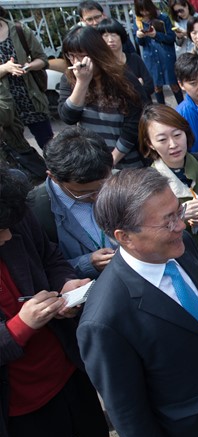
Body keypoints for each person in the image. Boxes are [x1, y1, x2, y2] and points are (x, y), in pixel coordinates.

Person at [78, 168, 198, 437]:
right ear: (125, 237)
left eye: (178, 212)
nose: (180, 225)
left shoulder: (181, 246)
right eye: (167, 220)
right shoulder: (105, 320)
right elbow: (127, 411)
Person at [0, 166, 109, 437]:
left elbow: (49, 257)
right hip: (20, 403)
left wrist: (65, 284)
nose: (8, 236)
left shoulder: (12, 213)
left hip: (67, 368)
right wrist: (20, 326)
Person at [139, 103, 198, 279]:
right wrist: (180, 217)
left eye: (177, 135)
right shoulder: (149, 183)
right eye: (162, 140)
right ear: (150, 144)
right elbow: (148, 235)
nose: (173, 144)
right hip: (184, 265)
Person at [29, 127, 115, 280]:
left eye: (103, 187)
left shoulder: (123, 181)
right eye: (85, 193)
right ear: (54, 177)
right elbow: (40, 269)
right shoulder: (35, 211)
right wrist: (86, 264)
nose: (97, 197)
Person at [58, 25, 147, 168]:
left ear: (97, 53)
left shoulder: (123, 78)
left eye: (81, 55)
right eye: (71, 55)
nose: (76, 62)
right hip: (93, 161)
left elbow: (135, 123)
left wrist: (112, 160)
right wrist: (82, 83)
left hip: (128, 162)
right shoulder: (69, 79)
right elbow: (68, 117)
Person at [0, 9, 53, 149]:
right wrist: (5, 68)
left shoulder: (19, 30)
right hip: (5, 108)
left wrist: (28, 66)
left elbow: (42, 60)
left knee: (49, 146)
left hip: (31, 100)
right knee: (16, 151)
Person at [134, 0, 184, 104]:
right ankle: (162, 110)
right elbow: (140, 43)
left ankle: (182, 108)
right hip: (151, 58)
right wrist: (139, 37)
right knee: (156, 87)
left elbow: (171, 38)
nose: (145, 13)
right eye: (141, 10)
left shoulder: (163, 18)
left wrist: (156, 35)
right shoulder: (138, 22)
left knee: (174, 85)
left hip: (166, 56)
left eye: (147, 9)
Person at [97, 17, 154, 101]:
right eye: (105, 36)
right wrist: (137, 85)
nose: (110, 40)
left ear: (121, 36)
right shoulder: (103, 66)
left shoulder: (135, 58)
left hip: (144, 106)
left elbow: (150, 86)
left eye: (114, 35)